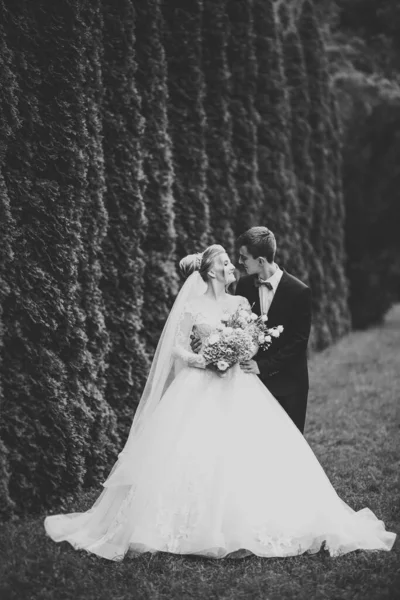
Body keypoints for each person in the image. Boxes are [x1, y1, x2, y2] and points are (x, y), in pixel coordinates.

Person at [44, 245, 395, 561]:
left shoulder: (241, 302)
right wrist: (201, 359)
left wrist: (242, 348)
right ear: (211, 271)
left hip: (239, 384)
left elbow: (254, 339)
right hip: (199, 382)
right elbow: (176, 348)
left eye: (233, 260)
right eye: (226, 262)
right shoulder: (193, 307)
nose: (232, 266)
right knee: (193, 451)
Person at [235, 227, 311, 433]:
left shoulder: (299, 291)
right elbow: (236, 328)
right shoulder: (243, 286)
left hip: (290, 384)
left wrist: (264, 366)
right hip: (253, 383)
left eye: (244, 258)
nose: (240, 262)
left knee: (290, 446)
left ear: (260, 261)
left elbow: (299, 341)